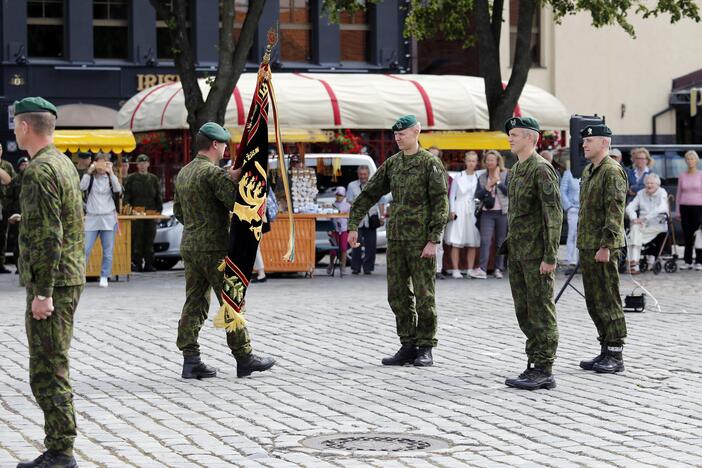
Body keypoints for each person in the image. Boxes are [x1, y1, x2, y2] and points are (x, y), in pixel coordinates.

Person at [13, 97, 85, 468]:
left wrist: (43, 293)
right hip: (68, 274)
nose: (14, 129)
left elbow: (50, 236)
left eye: (15, 123)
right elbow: (67, 218)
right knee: (52, 361)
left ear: (25, 127)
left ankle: (61, 450)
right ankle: (60, 446)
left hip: (53, 282)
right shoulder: (62, 163)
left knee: (47, 367)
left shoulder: (39, 171)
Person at [174, 122, 274, 379]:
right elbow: (236, 203)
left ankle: (190, 358)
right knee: (232, 301)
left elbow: (177, 212)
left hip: (191, 245)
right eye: (224, 144)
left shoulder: (185, 172)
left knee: (194, 302)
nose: (226, 148)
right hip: (215, 249)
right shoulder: (213, 174)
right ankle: (244, 356)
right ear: (215, 145)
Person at [348, 115, 448, 367]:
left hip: (421, 241)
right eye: (395, 134)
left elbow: (440, 203)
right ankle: (407, 344)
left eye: (401, 133)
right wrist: (353, 225)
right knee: (397, 295)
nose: (397, 138)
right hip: (397, 239)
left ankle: (425, 346)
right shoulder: (393, 164)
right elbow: (369, 193)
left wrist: (434, 239)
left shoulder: (430, 164)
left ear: (416, 131)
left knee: (425, 295)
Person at [501, 117, 562, 391]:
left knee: (541, 310)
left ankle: (544, 367)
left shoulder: (541, 169)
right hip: (518, 252)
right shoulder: (515, 171)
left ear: (530, 138)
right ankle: (533, 361)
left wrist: (550, 256)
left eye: (514, 134)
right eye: (510, 135)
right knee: (524, 311)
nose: (510, 139)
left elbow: (553, 215)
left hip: (537, 253)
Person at [577, 124, 628, 374]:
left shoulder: (611, 171)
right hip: (588, 244)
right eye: (584, 141)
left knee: (608, 298)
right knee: (594, 300)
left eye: (590, 140)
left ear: (604, 143)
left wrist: (606, 245)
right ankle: (605, 347)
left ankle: (616, 353)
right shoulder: (590, 171)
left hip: (603, 247)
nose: (585, 144)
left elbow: (615, 211)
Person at [80, 152, 122, 288]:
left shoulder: (110, 178)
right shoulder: (90, 178)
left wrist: (111, 173)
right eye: (99, 162)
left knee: (108, 251)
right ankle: (80, 275)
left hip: (108, 218)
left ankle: (104, 275)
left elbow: (118, 189)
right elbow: (81, 187)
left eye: (104, 162)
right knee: (85, 249)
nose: (101, 166)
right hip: (92, 218)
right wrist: (89, 171)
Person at [471, 150, 509, 279]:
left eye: (492, 160)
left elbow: (509, 192)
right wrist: (487, 187)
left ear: (498, 161)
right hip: (487, 213)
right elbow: (477, 195)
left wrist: (498, 182)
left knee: (500, 242)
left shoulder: (506, 174)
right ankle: (482, 269)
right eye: (487, 160)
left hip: (502, 212)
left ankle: (498, 269)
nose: (489, 162)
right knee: (485, 241)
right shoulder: (482, 177)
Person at [123, 154, 163, 272]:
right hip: (136, 214)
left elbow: (158, 197)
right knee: (137, 240)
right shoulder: (131, 178)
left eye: (145, 163)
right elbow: (127, 197)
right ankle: (137, 263)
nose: (142, 166)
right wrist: (129, 211)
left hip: (151, 213)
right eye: (140, 163)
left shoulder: (153, 179)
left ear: (148, 164)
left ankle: (149, 263)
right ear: (137, 165)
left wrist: (158, 213)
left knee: (149, 240)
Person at [444, 151, 481, 278]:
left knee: (472, 240)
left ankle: (470, 269)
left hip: (472, 210)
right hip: (459, 208)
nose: (471, 163)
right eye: (469, 160)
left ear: (476, 162)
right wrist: (452, 210)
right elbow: (452, 195)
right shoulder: (458, 177)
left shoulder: (478, 177)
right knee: (457, 240)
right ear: (465, 162)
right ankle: (455, 269)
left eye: (473, 161)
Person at [626, 174, 668, 274]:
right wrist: (634, 218)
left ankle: (633, 264)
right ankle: (634, 264)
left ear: (657, 185)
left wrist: (644, 218)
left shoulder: (662, 192)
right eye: (647, 183)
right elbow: (629, 208)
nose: (649, 185)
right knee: (635, 230)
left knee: (633, 234)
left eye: (651, 183)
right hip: (642, 226)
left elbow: (662, 208)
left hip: (657, 225)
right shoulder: (641, 193)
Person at [346, 165, 383, 275]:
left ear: (368, 174)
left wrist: (381, 216)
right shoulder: (352, 185)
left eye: (365, 174)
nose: (363, 177)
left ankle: (368, 268)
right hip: (358, 219)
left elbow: (381, 201)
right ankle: (355, 267)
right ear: (358, 174)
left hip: (371, 217)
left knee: (371, 244)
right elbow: (349, 200)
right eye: (361, 174)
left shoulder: (375, 185)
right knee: (356, 243)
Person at [675, 150, 702, 270]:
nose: (690, 161)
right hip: (684, 208)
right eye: (688, 159)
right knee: (687, 235)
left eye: (692, 159)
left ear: (696, 160)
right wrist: (677, 211)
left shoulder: (701, 174)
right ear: (685, 161)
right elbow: (678, 193)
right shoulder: (682, 175)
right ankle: (687, 261)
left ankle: (699, 261)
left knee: (699, 235)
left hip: (699, 208)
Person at [6, 157, 29, 275]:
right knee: (18, 242)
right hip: (17, 213)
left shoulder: (33, 179)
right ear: (19, 167)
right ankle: (19, 267)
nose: (25, 166)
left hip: (30, 214)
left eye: (27, 164)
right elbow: (9, 198)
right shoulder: (15, 180)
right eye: (23, 165)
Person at [560, 164, 581, 273]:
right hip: (573, 208)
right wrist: (568, 207)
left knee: (581, 235)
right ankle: (570, 259)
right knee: (572, 234)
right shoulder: (568, 173)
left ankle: (579, 260)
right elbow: (562, 190)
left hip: (584, 209)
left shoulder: (587, 172)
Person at [0, 142, 17, 273]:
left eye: (0, 148)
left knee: (2, 235)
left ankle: (0, 263)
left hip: (4, 206)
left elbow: (11, 182)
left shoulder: (7, 165)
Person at [328, 186, 351, 275]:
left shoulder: (348, 205)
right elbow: (329, 218)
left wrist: (350, 228)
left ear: (344, 195)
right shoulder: (333, 204)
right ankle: (331, 264)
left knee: (344, 248)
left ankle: (343, 267)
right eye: (337, 195)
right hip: (334, 229)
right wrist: (329, 230)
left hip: (344, 229)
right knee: (333, 249)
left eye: (340, 195)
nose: (338, 197)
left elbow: (350, 218)